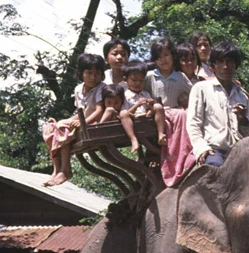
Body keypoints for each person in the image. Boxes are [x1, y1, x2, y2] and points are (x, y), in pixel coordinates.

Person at [41, 53, 107, 186]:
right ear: (81, 73)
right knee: (51, 128)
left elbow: (99, 110)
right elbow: (80, 111)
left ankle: (66, 170)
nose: (93, 77)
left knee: (63, 128)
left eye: (97, 73)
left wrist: (83, 123)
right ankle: (57, 169)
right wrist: (68, 121)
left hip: (95, 122)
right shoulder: (78, 89)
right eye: (89, 73)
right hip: (82, 120)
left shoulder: (102, 88)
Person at [186, 42, 249, 167]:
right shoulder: (201, 88)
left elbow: (247, 133)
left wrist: (242, 119)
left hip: (239, 150)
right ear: (213, 66)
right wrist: (202, 148)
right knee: (215, 168)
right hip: (213, 149)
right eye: (220, 62)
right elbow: (193, 123)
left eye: (230, 62)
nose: (225, 66)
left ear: (235, 66)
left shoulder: (242, 96)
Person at [123, 60, 167, 147]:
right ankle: (133, 139)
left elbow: (148, 109)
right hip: (133, 119)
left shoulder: (145, 93)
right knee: (123, 113)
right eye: (134, 80)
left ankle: (161, 134)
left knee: (158, 106)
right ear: (125, 80)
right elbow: (127, 113)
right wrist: (137, 104)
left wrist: (151, 104)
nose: (138, 83)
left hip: (146, 116)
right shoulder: (125, 95)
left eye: (141, 80)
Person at [145, 38, 193, 109]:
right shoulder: (150, 76)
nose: (163, 59)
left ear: (173, 56)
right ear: (154, 60)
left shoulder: (180, 76)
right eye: (159, 57)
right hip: (155, 113)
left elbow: (193, 91)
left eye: (166, 55)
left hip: (175, 113)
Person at [97, 83, 142, 154]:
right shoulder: (104, 110)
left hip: (122, 129)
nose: (112, 105)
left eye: (116, 102)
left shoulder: (123, 108)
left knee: (123, 113)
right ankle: (99, 128)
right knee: (109, 110)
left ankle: (133, 139)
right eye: (109, 102)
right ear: (104, 101)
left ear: (121, 102)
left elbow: (130, 114)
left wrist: (121, 116)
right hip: (107, 132)